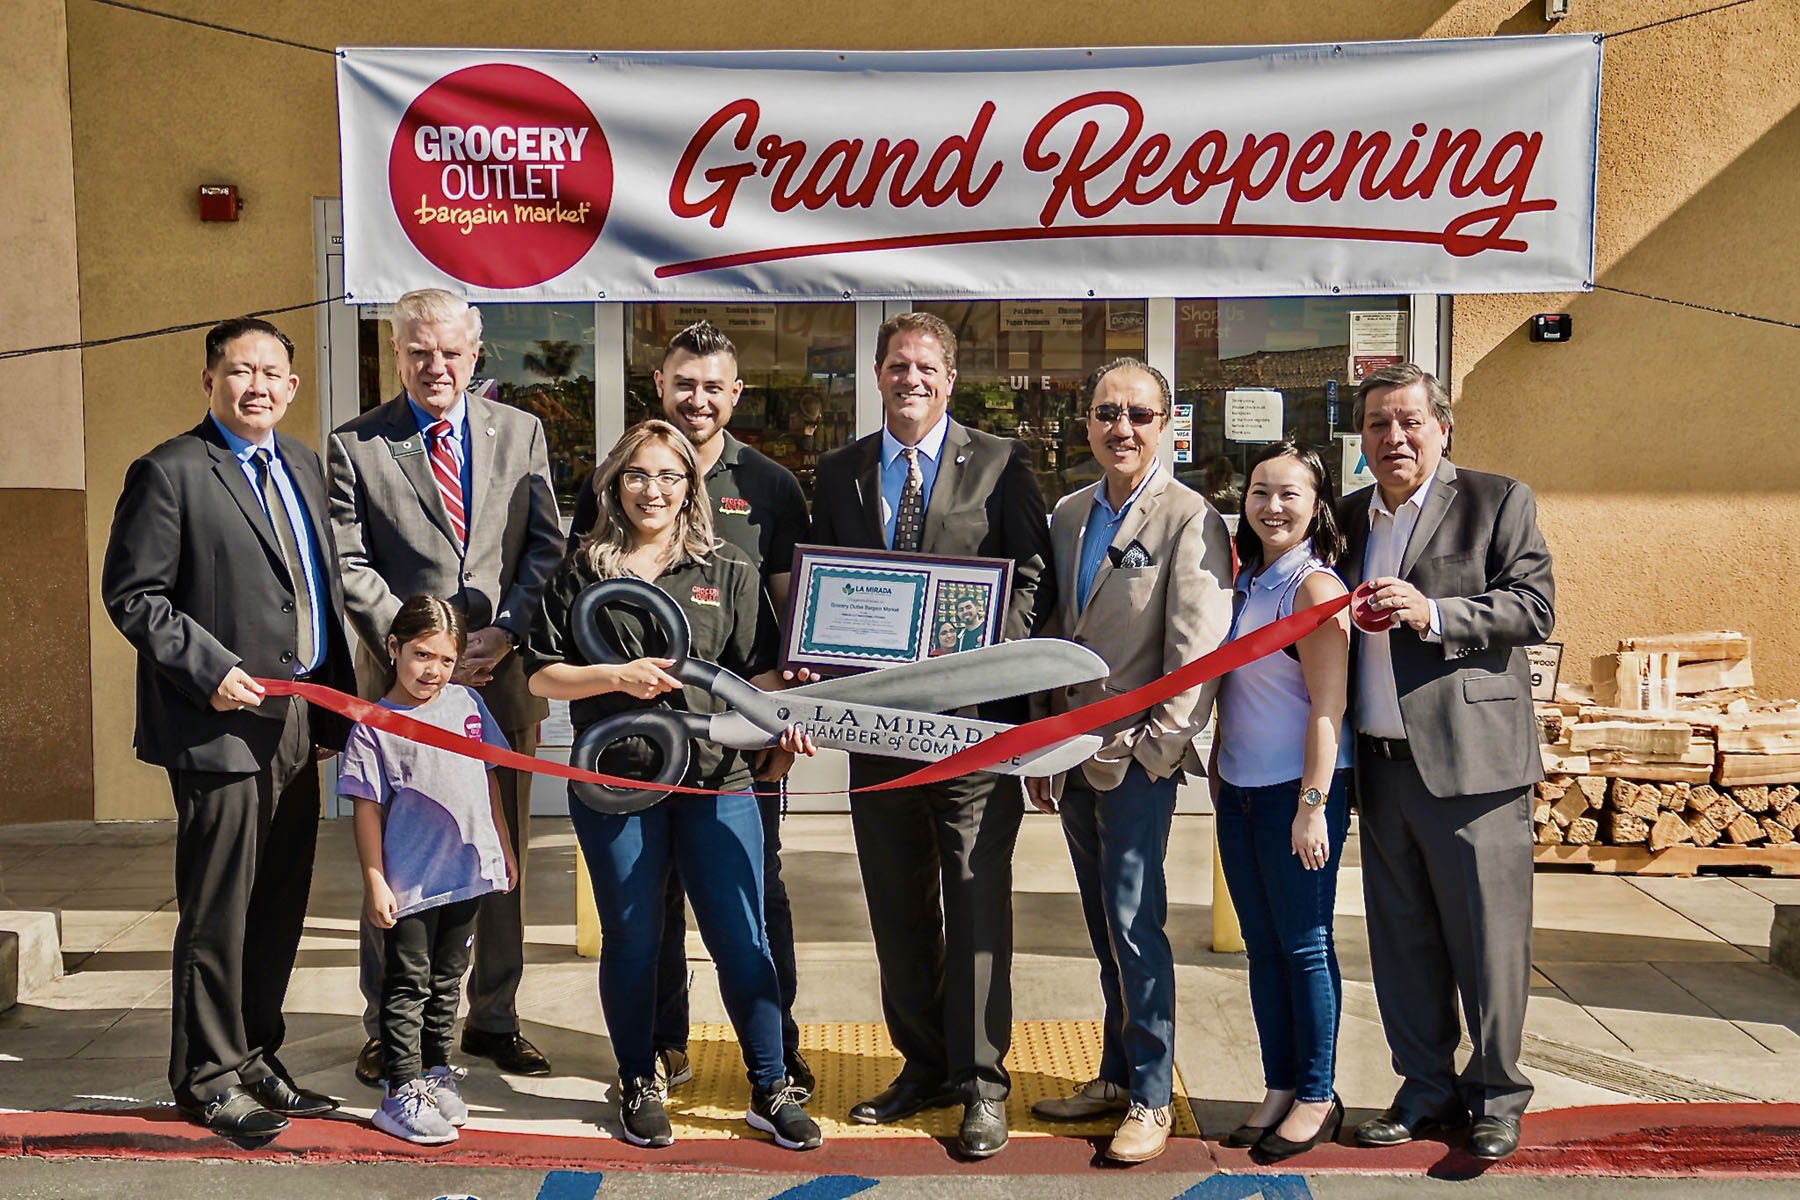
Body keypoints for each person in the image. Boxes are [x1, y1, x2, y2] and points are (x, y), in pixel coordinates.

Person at [523, 420, 822, 1152]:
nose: (652, 490)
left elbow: (760, 676)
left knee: (741, 936)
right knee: (632, 937)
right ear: (612, 485)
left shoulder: (730, 570)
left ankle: (770, 1084)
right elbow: (540, 673)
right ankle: (637, 1077)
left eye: (668, 476)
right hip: (616, 782)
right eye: (636, 475)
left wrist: (793, 711)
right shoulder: (580, 573)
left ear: (691, 486)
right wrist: (613, 677)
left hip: (717, 782)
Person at [101, 317, 356, 1137]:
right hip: (220, 724)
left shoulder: (304, 466)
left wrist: (331, 705)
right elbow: (135, 595)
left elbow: (315, 590)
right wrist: (208, 671)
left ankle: (253, 1055)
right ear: (208, 381)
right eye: (239, 370)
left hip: (297, 718)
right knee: (221, 909)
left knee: (280, 902)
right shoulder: (171, 471)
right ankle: (206, 1074)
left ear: (291, 385)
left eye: (272, 371)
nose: (257, 385)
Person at [809, 310, 1055, 1159]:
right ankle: (923, 1065)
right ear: (876, 375)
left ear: (948, 380)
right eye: (896, 366)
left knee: (977, 900)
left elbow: (1031, 573)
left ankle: (983, 1084)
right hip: (876, 730)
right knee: (898, 907)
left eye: (926, 368)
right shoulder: (839, 471)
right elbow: (826, 589)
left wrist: (993, 661)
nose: (910, 379)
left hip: (973, 734)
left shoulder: (1000, 461)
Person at [569, 321, 814, 1099]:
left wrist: (779, 721)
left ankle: (779, 1061)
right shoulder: (608, 491)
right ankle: (659, 1053)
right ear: (661, 385)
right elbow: (577, 626)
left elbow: (782, 633)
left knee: (749, 907)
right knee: (644, 922)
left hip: (723, 759)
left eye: (714, 386)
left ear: (735, 394)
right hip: (629, 762)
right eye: (685, 383)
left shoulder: (771, 489)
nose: (699, 398)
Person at [328, 288, 564, 1084]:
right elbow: (349, 563)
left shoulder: (522, 432)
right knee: (397, 857)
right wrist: (417, 649)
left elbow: (543, 548)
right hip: (402, 694)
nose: (436, 366)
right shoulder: (357, 445)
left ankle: (493, 1014)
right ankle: (386, 1022)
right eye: (418, 352)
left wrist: (508, 630)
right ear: (395, 354)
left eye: (450, 352)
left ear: (474, 355)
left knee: (497, 851)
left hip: (496, 682)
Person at [1340, 363, 1554, 1162]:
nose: (1393, 438)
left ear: (1442, 427)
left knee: (1487, 940)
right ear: (1360, 439)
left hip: (1474, 769)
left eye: (1408, 422)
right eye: (1377, 426)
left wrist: (1436, 613)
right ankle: (1424, 1088)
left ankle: (1497, 1094)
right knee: (1402, 942)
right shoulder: (1352, 514)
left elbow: (1533, 608)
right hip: (1381, 765)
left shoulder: (1498, 500)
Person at [1026, 359, 1233, 1164]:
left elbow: (1196, 652)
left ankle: (1151, 1094)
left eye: (1141, 415)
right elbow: (1055, 638)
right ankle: (1115, 1076)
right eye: (1108, 412)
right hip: (1074, 757)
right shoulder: (1070, 513)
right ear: (1086, 424)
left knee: (1136, 928)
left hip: (1137, 762)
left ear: (1168, 425)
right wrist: (1045, 744)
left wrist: (1158, 750)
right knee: (1101, 925)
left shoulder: (1190, 517)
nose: (1123, 428)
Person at [1210, 439, 1353, 1161]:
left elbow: (1328, 709)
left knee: (1304, 947)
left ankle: (1318, 1094)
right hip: (1237, 792)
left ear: (1316, 504)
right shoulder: (1248, 581)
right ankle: (1278, 1085)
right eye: (1261, 491)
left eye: (1290, 493)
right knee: (1263, 950)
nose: (1272, 506)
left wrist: (1313, 803)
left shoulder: (1315, 587)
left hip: (1291, 798)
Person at [340, 597, 520, 1144]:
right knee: (407, 986)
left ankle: (435, 1070)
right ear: (393, 649)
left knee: (447, 981)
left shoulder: (467, 703)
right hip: (412, 881)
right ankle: (400, 1090)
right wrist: (375, 879)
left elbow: (489, 777)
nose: (433, 671)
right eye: (421, 655)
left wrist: (503, 849)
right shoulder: (375, 725)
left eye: (446, 659)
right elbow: (367, 806)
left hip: (465, 870)